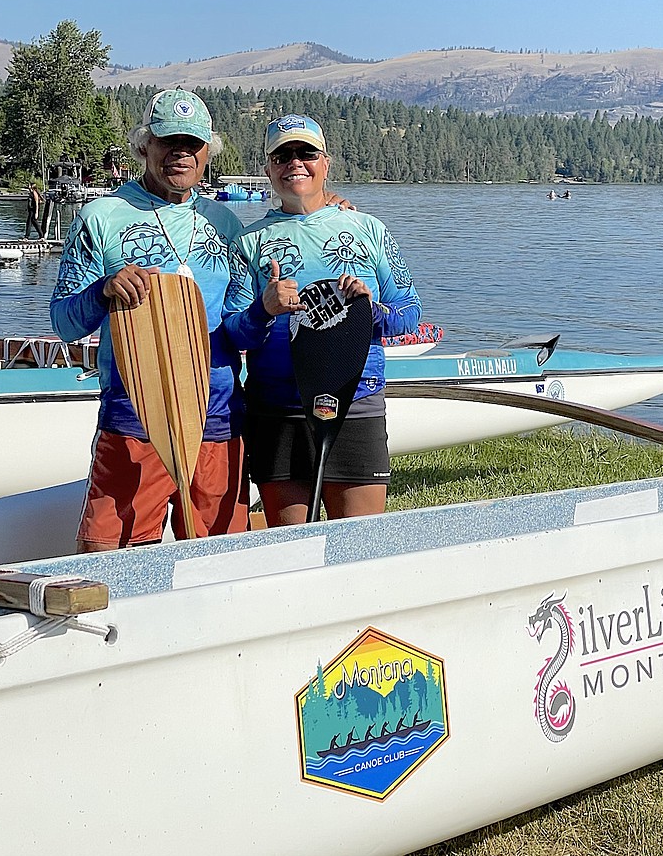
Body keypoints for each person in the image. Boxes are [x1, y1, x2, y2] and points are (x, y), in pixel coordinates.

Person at [49, 89, 252, 553]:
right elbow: (64, 324)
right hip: (133, 417)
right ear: (145, 146)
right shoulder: (101, 218)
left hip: (218, 418)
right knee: (110, 559)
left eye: (192, 145)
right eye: (168, 142)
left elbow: (244, 319)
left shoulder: (226, 224)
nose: (180, 154)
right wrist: (102, 290)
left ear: (207, 152)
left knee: (221, 563)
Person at [228, 114, 422, 527]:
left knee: (359, 546)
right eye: (282, 156)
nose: (295, 163)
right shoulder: (249, 241)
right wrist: (263, 309)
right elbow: (233, 329)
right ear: (268, 169)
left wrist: (371, 312)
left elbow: (409, 312)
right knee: (290, 549)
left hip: (356, 400)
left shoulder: (368, 229)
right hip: (278, 409)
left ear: (325, 163)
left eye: (306, 153)